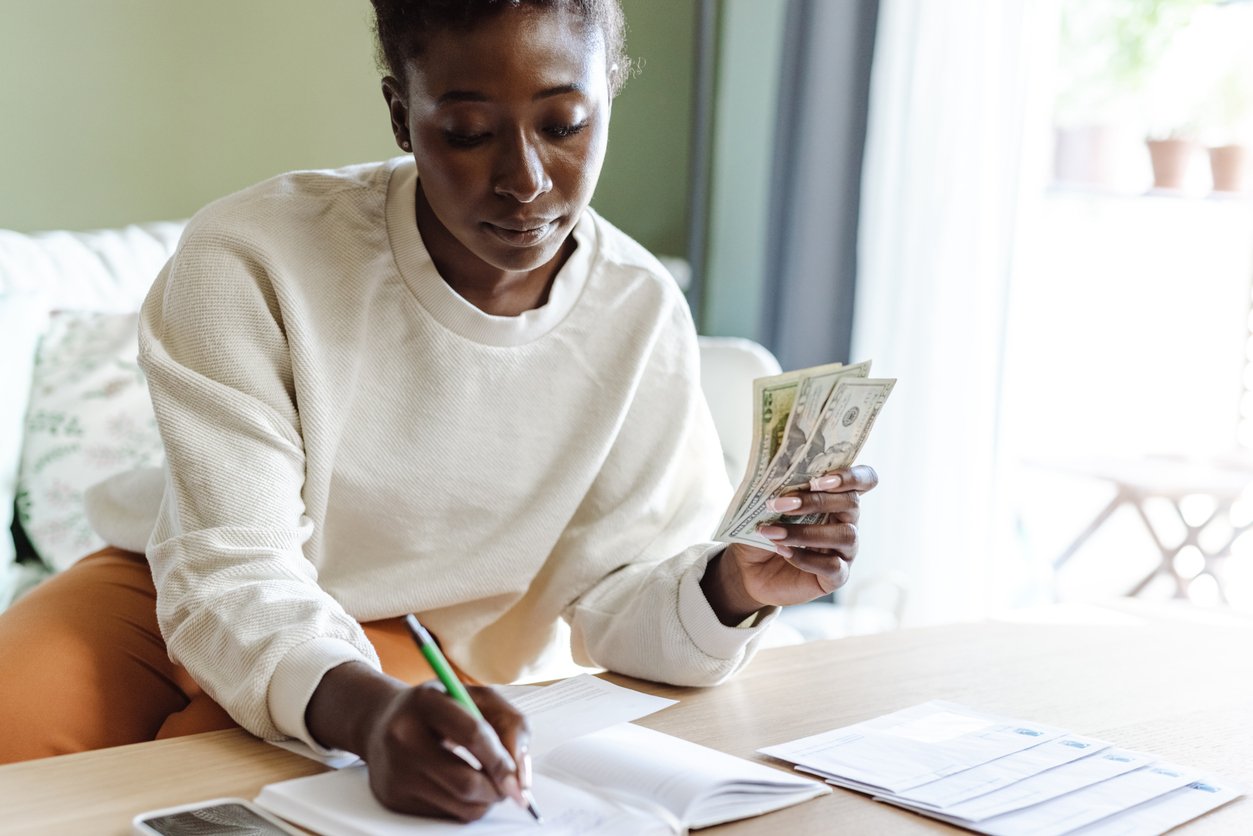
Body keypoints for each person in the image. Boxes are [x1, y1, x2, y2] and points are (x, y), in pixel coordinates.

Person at [0, 0, 878, 823]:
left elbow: (616, 599)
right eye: (466, 132)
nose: (524, 180)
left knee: (234, 796)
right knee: (15, 734)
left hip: (418, 649)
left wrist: (730, 587)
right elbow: (228, 568)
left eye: (564, 125)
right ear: (400, 113)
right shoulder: (251, 256)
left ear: (607, 95)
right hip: (179, 587)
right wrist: (368, 718)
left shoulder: (638, 312)